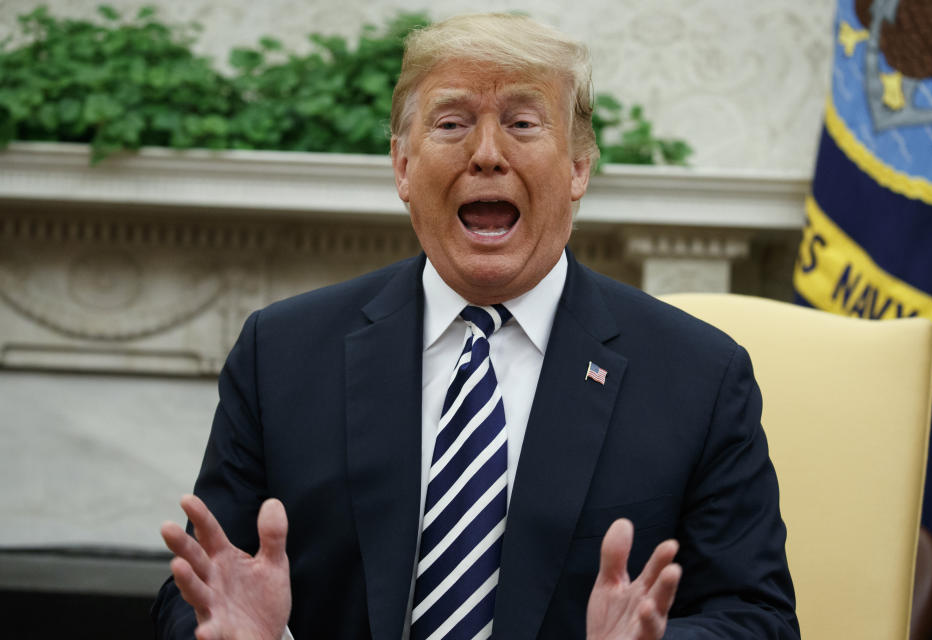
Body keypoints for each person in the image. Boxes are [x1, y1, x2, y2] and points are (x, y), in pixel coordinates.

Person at [153, 13, 799, 640]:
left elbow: (758, 617)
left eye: (522, 122)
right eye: (452, 122)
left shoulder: (700, 378)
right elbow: (203, 591)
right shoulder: (282, 356)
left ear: (578, 169)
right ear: (402, 167)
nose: (486, 154)